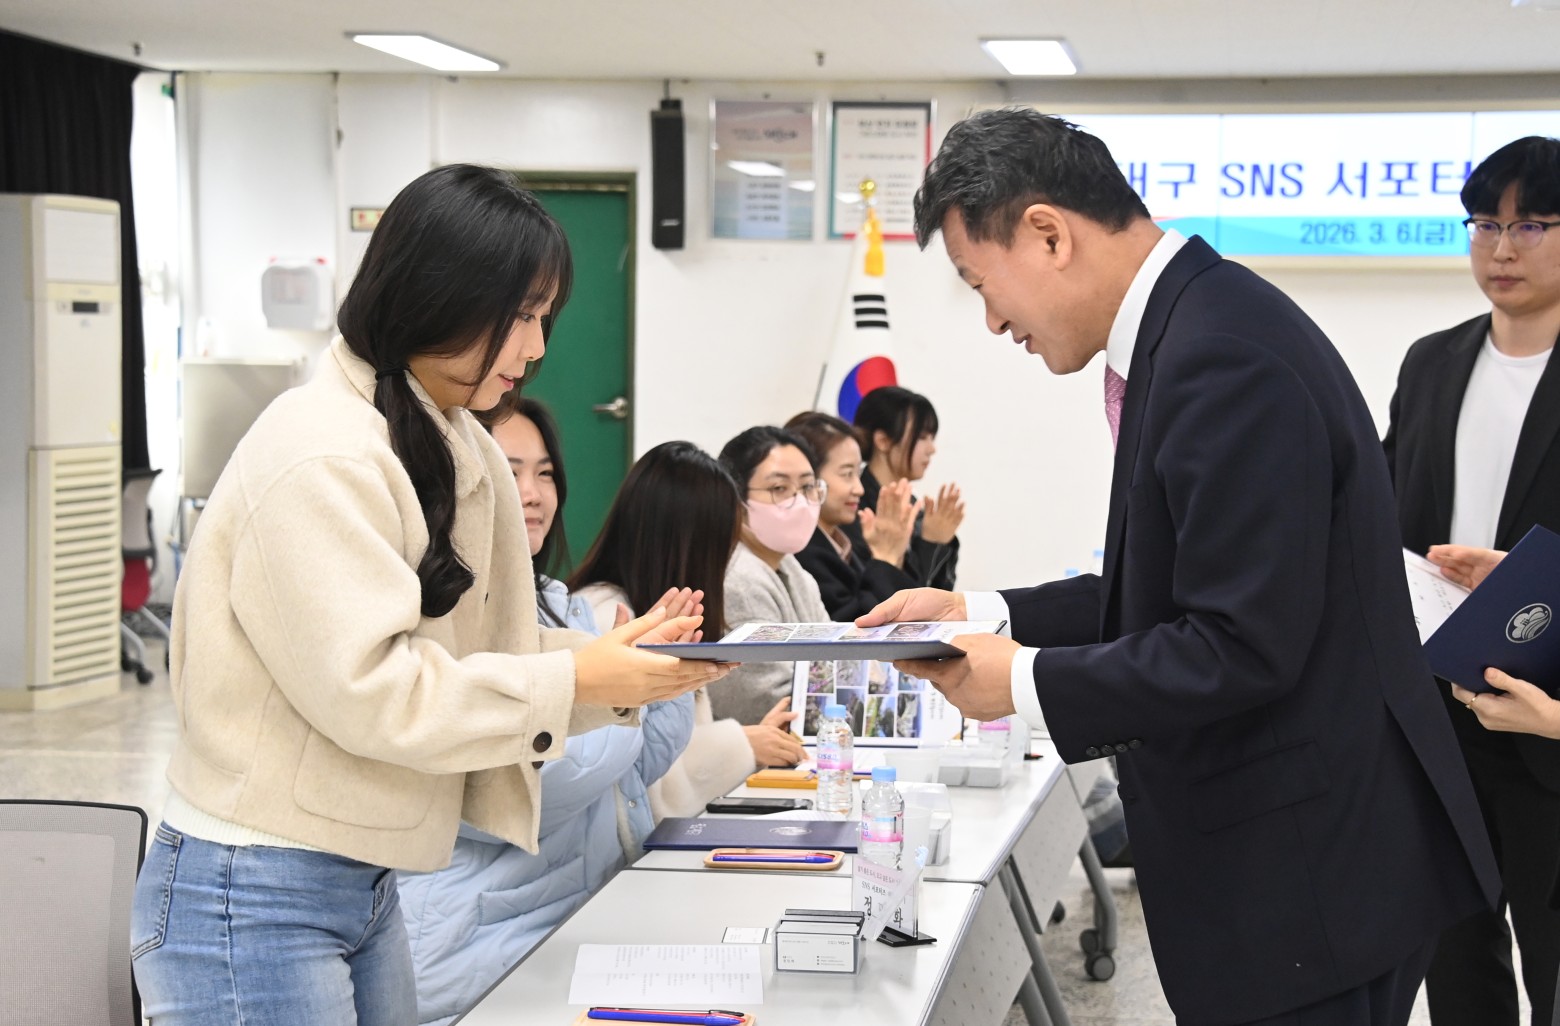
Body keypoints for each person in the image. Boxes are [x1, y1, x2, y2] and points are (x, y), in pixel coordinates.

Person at [860, 108, 1498, 1026]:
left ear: (1048, 234)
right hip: (1308, 864)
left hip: (1308, 879)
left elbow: (1240, 643)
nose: (994, 321)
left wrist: (1024, 681)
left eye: (979, 284)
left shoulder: (1218, 356)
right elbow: (1172, 587)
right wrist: (982, 613)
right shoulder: (1196, 327)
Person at [128, 164, 724, 1026]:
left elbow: (490, 651)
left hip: (364, 873)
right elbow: (378, 691)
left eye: (545, 318)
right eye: (522, 315)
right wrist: (582, 678)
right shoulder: (321, 451)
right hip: (252, 887)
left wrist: (619, 665)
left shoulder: (453, 441)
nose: (536, 349)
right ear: (441, 295)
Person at [397, 395, 695, 1026]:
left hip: (578, 917)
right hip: (481, 943)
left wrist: (664, 681)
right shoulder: (438, 614)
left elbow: (630, 779)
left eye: (546, 474)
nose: (532, 494)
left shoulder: (560, 603)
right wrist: (620, 696)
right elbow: (518, 791)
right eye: (509, 472)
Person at [1383, 135, 1560, 1026]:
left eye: (1530, 225)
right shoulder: (1431, 362)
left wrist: (1522, 580)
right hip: (1440, 713)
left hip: (1548, 716)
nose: (1502, 248)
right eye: (1485, 224)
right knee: (1456, 965)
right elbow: (1384, 515)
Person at [567, 440, 805, 816]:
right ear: (694, 546)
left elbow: (672, 739)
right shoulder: (607, 617)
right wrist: (743, 744)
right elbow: (632, 780)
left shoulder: (657, 611)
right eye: (724, 545)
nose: (728, 562)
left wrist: (757, 739)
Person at [707, 427, 831, 729]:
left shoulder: (792, 568)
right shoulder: (735, 580)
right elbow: (766, 703)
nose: (800, 501)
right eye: (779, 488)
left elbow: (836, 656)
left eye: (808, 487)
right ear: (736, 497)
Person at [784, 410, 917, 620]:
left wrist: (894, 553)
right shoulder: (801, 551)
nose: (859, 489)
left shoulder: (842, 543)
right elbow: (854, 628)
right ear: (807, 479)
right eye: (847, 474)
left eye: (857, 473)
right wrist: (885, 558)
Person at [845, 385, 965, 590]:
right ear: (883, 441)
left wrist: (941, 541)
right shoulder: (855, 507)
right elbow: (886, 596)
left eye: (932, 438)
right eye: (922, 437)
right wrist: (930, 543)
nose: (931, 449)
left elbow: (941, 596)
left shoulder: (915, 509)